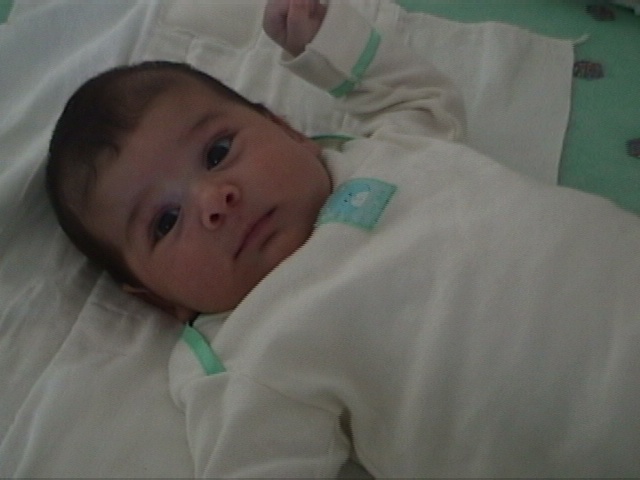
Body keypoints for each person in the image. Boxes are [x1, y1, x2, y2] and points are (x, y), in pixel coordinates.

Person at [47, 0, 640, 477]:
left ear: (286, 128)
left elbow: (422, 98)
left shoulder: (384, 151)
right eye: (164, 221)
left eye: (218, 151)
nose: (213, 201)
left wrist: (330, 44)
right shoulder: (251, 350)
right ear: (158, 299)